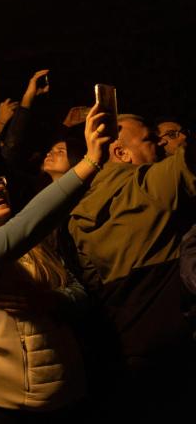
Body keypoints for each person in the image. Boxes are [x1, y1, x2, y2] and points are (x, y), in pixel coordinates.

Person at [0, 105, 109, 422]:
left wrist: (51, 299)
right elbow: (22, 230)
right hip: (4, 403)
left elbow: (79, 291)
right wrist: (90, 162)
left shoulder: (35, 243)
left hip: (64, 393)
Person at [68, 114, 196, 420]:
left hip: (127, 347)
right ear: (122, 153)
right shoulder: (148, 185)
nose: (161, 145)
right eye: (151, 139)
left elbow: (91, 283)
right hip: (174, 346)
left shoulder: (76, 216)